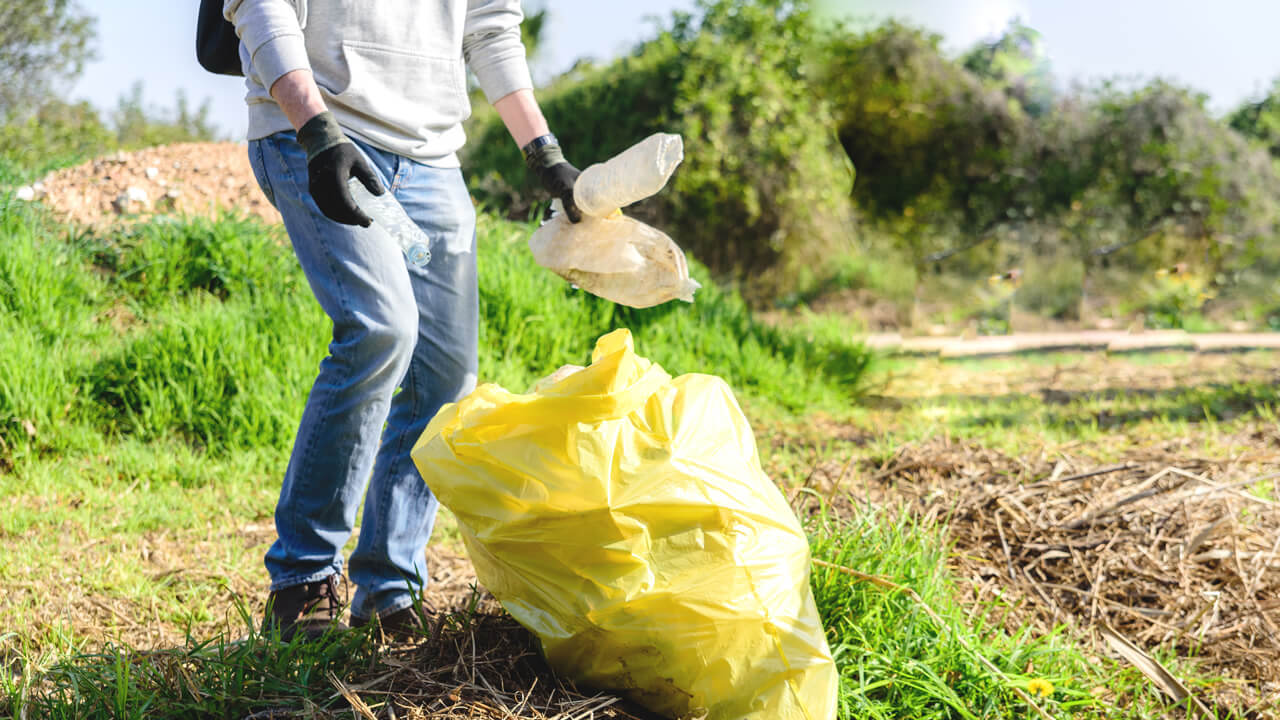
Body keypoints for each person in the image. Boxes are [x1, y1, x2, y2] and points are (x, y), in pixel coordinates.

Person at [223, 0, 580, 640]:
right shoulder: (315, 134)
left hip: (426, 168)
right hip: (324, 141)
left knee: (444, 372)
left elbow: (490, 26)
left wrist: (543, 151)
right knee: (381, 327)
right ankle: (304, 578)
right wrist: (316, 130)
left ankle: (388, 590)